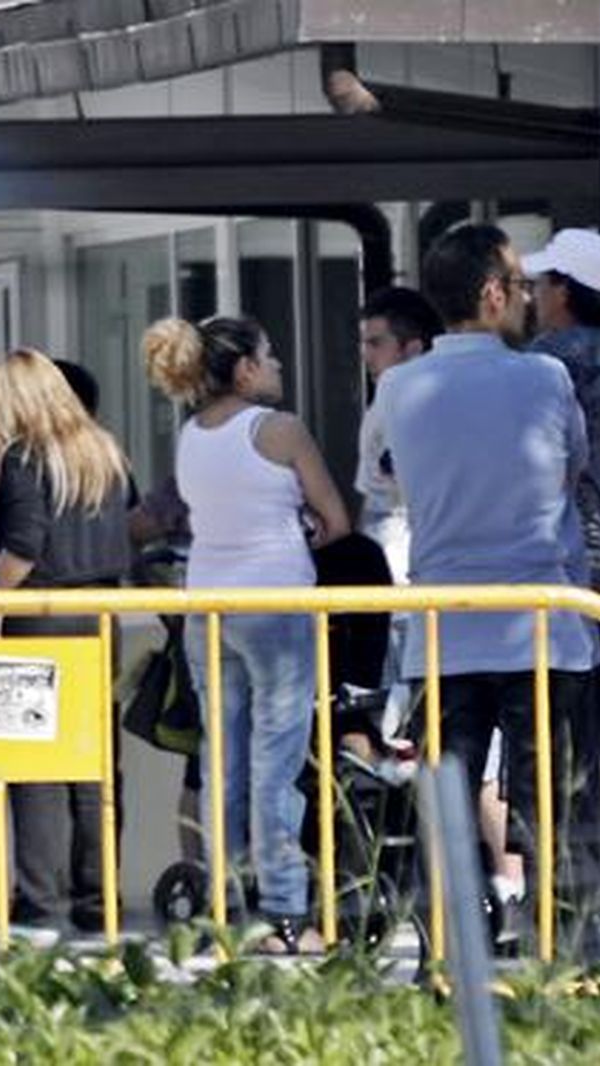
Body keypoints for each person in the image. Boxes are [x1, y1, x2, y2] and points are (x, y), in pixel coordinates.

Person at [380, 222, 600, 937]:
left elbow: (386, 481)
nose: (528, 296)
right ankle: (554, 945)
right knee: (549, 806)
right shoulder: (544, 377)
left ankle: (450, 949)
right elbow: (573, 468)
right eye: (519, 283)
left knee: (447, 801)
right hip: (541, 621)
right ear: (492, 293)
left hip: (442, 626)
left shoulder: (397, 386)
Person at [144, 314, 350, 954]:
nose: (279, 365)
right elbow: (336, 519)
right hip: (275, 601)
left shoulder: (190, 436)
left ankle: (223, 904)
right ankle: (283, 911)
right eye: (269, 355)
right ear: (244, 370)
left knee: (221, 763)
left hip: (207, 603)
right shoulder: (279, 429)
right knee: (275, 765)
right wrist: (301, 530)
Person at [0, 348, 132, 942]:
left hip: (41, 616)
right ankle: (100, 897)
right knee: (95, 765)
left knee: (36, 764)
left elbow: (24, 545)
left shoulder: (26, 456)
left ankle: (39, 902)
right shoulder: (103, 450)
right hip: (102, 615)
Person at [520, 230, 600, 939]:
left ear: (563, 291)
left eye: (540, 285)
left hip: (568, 572)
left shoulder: (544, 366)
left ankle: (572, 909)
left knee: (567, 747)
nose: (533, 296)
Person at [355, 286, 438, 584]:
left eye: (376, 343)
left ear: (413, 349)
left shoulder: (413, 401)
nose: (365, 355)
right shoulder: (383, 400)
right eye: (364, 343)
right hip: (388, 549)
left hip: (407, 552)